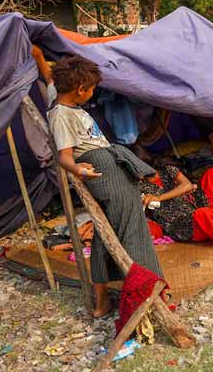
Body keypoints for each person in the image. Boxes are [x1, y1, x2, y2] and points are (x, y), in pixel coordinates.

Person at [48, 55, 162, 318]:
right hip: (104, 170)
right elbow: (64, 156)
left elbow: (50, 77)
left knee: (104, 235)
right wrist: (78, 169)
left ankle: (102, 303)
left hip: (107, 166)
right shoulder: (62, 115)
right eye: (91, 89)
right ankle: (144, 295)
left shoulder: (69, 108)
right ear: (80, 90)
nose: (92, 94)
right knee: (133, 230)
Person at [140, 161, 213, 243]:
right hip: (176, 221)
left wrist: (159, 198)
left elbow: (187, 185)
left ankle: (210, 221)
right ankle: (210, 223)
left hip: (193, 206)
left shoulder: (168, 170)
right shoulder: (139, 185)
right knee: (203, 215)